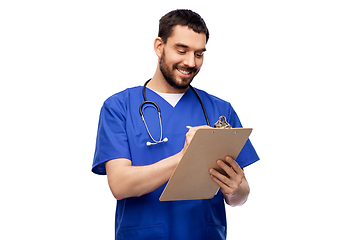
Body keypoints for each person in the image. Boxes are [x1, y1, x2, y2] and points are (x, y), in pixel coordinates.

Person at [92, 9, 259, 240]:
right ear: (159, 46)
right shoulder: (119, 107)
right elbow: (120, 185)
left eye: (199, 54)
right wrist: (186, 157)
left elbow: (241, 194)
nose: (191, 62)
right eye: (182, 50)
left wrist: (235, 190)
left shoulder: (220, 110)